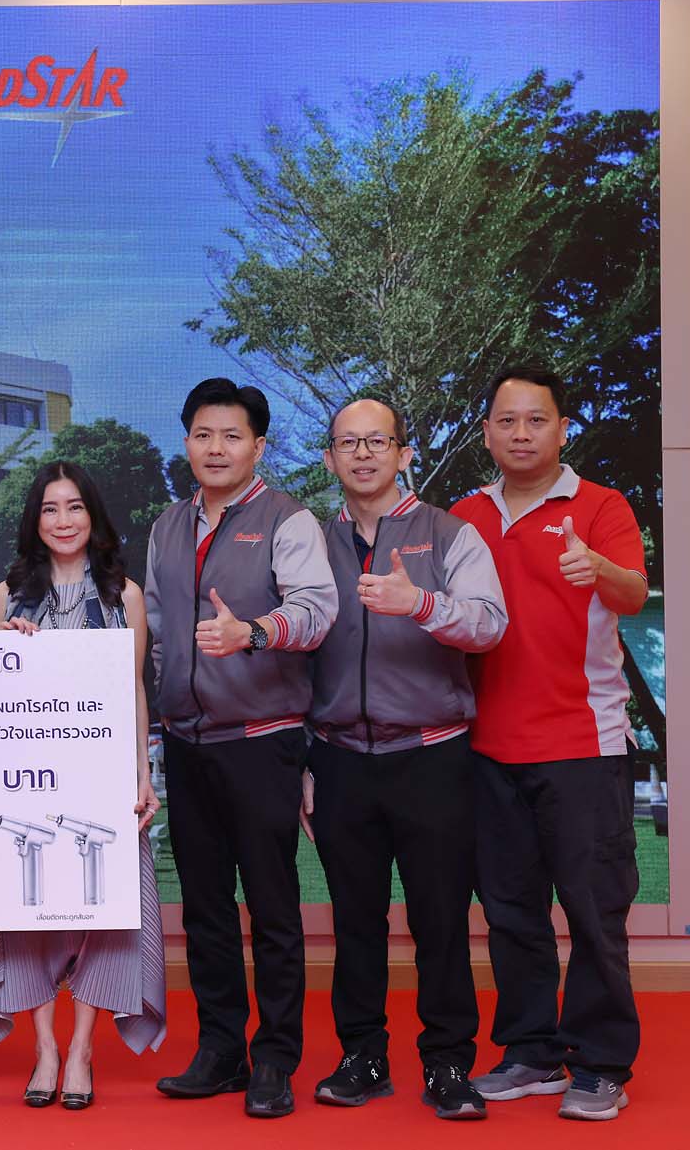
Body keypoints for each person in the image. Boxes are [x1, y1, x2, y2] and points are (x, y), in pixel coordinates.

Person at [451, 368, 649, 1122]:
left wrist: (596, 567)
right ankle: (532, 1052)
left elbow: (632, 592)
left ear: (563, 429)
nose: (522, 433)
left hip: (583, 742)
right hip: (488, 747)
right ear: (487, 434)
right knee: (510, 911)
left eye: (537, 419)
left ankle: (600, 1064)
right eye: (507, 420)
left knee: (595, 911)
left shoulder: (600, 505)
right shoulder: (464, 516)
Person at [303, 399, 507, 1120]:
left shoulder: (449, 533)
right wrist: (303, 763)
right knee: (354, 920)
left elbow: (489, 624)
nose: (363, 454)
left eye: (377, 441)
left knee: (440, 919)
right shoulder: (310, 543)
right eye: (348, 443)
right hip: (338, 760)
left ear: (404, 452)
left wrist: (419, 601)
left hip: (432, 756)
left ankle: (448, 1062)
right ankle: (362, 1056)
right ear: (329, 457)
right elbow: (293, 654)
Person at [144, 377, 336, 1119]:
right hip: (187, 743)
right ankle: (220, 1049)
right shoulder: (167, 526)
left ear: (259, 445)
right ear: (187, 442)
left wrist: (251, 632)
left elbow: (316, 611)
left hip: (262, 740)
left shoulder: (288, 519)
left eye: (231, 436)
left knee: (272, 907)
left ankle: (275, 1056)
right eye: (203, 434)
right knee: (204, 909)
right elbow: (157, 629)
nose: (216, 448)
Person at [0, 461, 164, 1111]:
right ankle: (45, 1048)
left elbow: (133, 690)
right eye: (50, 509)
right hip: (25, 784)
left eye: (74, 506)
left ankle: (82, 1049)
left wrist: (143, 776)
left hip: (104, 783)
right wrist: (10, 651)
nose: (63, 520)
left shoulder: (124, 595)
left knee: (103, 915)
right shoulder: (7, 596)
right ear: (35, 521)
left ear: (93, 515)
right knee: (28, 915)